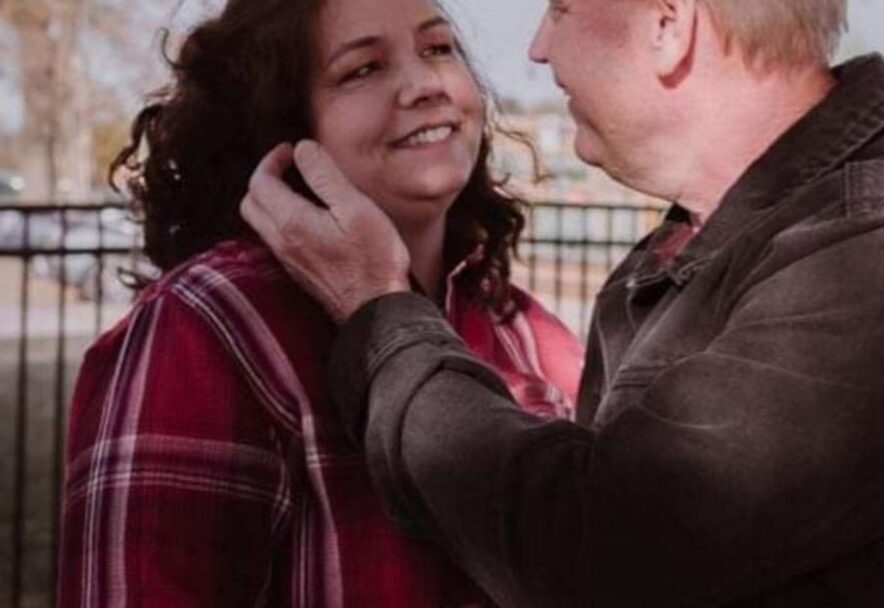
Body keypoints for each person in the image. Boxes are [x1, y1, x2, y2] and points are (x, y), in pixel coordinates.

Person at [242, 0, 884, 605]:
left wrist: (379, 309)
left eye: (561, 7)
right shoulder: (696, 245)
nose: (534, 47)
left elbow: (597, 553)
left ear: (669, 23)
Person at [57, 0, 584, 605]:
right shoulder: (209, 324)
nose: (426, 84)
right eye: (362, 69)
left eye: (438, 48)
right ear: (283, 133)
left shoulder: (529, 333)